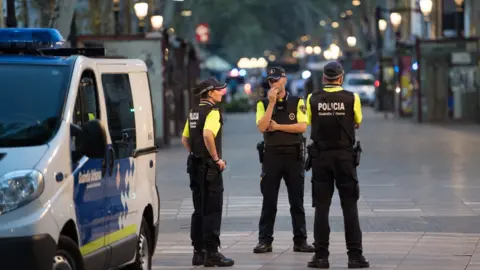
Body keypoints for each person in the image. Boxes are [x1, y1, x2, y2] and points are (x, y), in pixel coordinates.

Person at [305, 61, 370, 269]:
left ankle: (321, 257)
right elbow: (357, 121)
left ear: (324, 79)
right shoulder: (352, 98)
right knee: (349, 206)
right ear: (341, 78)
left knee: (321, 208)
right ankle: (355, 256)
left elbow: (308, 121)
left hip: (321, 158)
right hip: (344, 157)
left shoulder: (312, 98)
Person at [254, 67, 315, 254]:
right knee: (269, 200)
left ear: (284, 80)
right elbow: (263, 127)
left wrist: (279, 126)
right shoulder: (263, 104)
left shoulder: (297, 101)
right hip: (271, 156)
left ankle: (300, 240)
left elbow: (302, 127)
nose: (274, 84)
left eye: (276, 80)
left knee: (296, 201)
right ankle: (265, 240)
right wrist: (271, 104)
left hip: (293, 155)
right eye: (271, 81)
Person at [181, 77, 234, 267]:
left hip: (194, 165)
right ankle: (212, 253)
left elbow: (185, 139)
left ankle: (198, 252)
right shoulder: (212, 112)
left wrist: (196, 154)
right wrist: (215, 158)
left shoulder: (193, 112)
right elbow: (207, 134)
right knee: (212, 209)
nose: (222, 92)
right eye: (219, 90)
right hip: (209, 169)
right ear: (210, 93)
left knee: (199, 209)